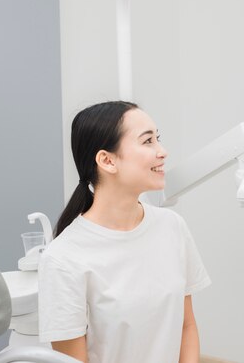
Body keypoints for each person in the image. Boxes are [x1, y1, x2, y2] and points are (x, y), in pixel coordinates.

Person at [38, 101, 211, 363]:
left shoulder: (172, 226)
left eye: (158, 139)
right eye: (147, 141)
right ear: (107, 160)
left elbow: (186, 326)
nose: (162, 151)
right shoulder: (63, 259)